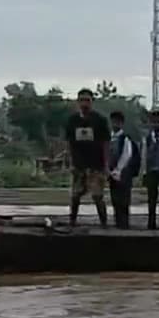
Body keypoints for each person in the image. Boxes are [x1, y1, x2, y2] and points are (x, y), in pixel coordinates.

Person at [63, 88, 110, 227]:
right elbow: (68, 142)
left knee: (97, 195)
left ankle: (104, 223)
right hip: (79, 164)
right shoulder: (72, 120)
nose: (84, 103)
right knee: (75, 195)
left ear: (92, 102)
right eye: (82, 100)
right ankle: (72, 221)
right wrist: (69, 161)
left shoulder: (100, 120)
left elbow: (106, 143)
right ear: (77, 102)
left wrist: (106, 164)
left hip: (96, 164)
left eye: (87, 100)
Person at [106, 110, 141, 229]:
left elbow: (127, 156)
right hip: (111, 173)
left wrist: (118, 170)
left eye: (118, 122)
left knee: (124, 200)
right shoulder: (109, 138)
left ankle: (124, 224)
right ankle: (118, 222)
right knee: (115, 199)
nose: (115, 124)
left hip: (124, 173)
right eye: (113, 122)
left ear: (122, 123)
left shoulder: (125, 139)